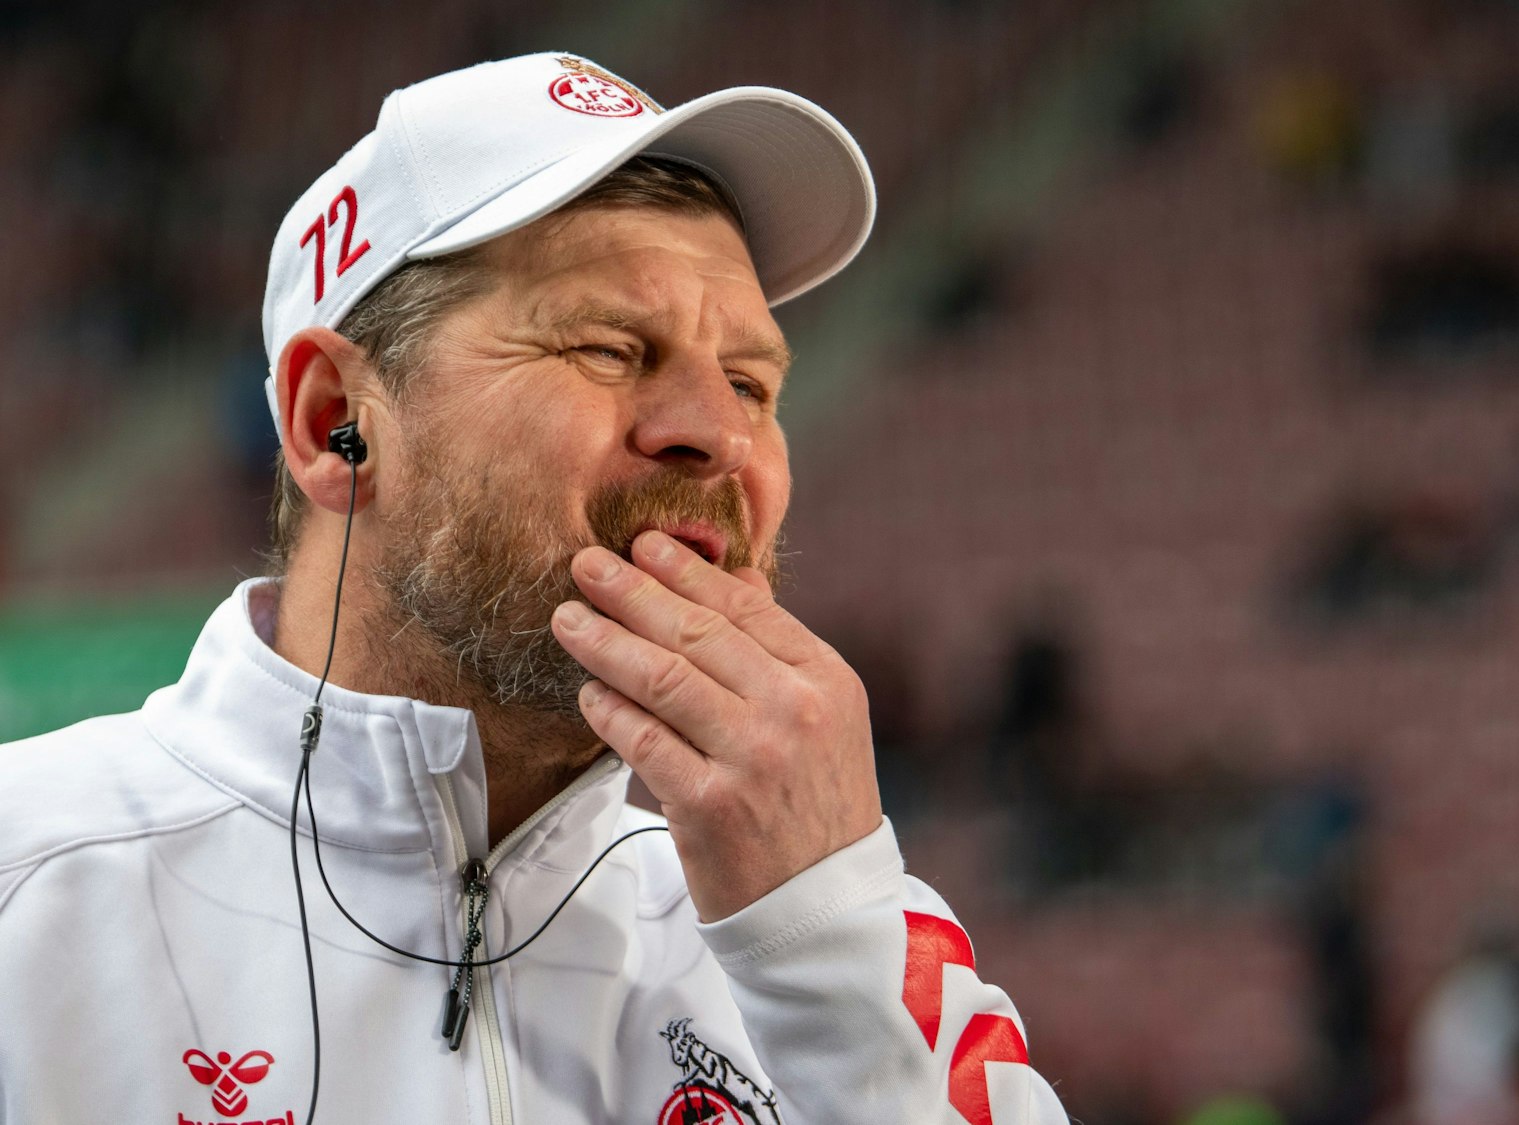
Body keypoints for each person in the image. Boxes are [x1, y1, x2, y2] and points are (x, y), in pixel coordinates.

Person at [0, 53, 1067, 1125]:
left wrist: (826, 937)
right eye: (610, 348)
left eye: (750, 382)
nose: (719, 433)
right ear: (336, 423)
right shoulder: (28, 885)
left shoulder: (827, 943)